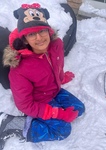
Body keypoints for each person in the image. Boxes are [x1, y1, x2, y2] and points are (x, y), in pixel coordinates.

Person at [0, 3, 85, 149]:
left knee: (79, 109)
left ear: (49, 31)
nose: (39, 38)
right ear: (25, 39)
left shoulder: (56, 45)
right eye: (32, 34)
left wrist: (61, 77)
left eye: (42, 31)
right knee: (63, 130)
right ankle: (13, 124)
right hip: (37, 101)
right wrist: (56, 113)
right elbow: (24, 104)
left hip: (54, 90)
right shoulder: (20, 68)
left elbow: (55, 66)